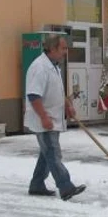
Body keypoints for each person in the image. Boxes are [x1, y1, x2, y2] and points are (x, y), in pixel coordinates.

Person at [24, 33, 86, 201]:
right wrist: (44, 117)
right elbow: (33, 95)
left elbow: (57, 92)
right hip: (44, 118)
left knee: (47, 154)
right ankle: (66, 186)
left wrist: (67, 106)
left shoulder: (54, 66)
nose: (65, 52)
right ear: (52, 48)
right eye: (63, 48)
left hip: (52, 117)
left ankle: (37, 185)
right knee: (53, 153)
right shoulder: (40, 67)